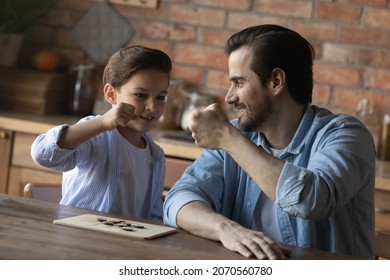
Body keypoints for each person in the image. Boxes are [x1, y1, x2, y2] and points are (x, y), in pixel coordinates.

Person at [163, 24, 376, 259]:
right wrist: (228, 230)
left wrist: (228, 140)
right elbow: (178, 200)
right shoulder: (236, 135)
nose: (229, 96)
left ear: (276, 81)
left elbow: (311, 201)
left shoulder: (345, 134)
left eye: (239, 82)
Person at [31, 45, 172, 220]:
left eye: (160, 97)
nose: (152, 107)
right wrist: (102, 123)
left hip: (128, 245)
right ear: (111, 94)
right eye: (141, 95)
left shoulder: (156, 156)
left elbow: (154, 215)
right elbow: (42, 154)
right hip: (81, 240)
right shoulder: (95, 137)